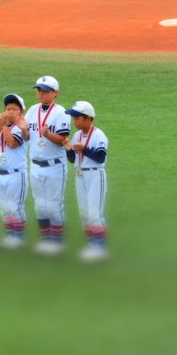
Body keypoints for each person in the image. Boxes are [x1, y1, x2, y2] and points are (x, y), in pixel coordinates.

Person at [25, 75, 71, 256]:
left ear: (55, 93)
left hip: (55, 166)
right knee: (40, 205)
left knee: (53, 205)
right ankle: (46, 240)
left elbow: (62, 139)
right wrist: (22, 128)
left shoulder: (61, 112)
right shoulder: (32, 110)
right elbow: (27, 136)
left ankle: (58, 242)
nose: (40, 94)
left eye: (45, 90)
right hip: (35, 165)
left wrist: (48, 134)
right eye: (38, 90)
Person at [64, 101, 110, 263]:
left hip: (95, 175)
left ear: (88, 118)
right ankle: (92, 245)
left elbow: (100, 157)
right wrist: (69, 149)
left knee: (94, 213)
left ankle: (100, 247)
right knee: (84, 213)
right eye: (74, 118)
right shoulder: (77, 136)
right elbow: (73, 160)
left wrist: (83, 149)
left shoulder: (99, 135)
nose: (75, 121)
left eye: (77, 118)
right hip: (80, 175)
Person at [0, 93, 29, 250]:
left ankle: (19, 237)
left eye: (14, 109)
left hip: (16, 174)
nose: (10, 112)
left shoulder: (21, 127)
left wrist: (4, 126)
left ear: (21, 112)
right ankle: (10, 235)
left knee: (15, 207)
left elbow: (12, 143)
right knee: (4, 207)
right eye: (8, 109)